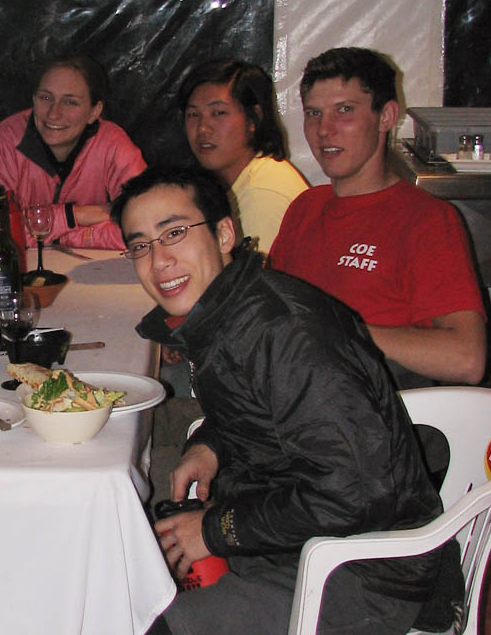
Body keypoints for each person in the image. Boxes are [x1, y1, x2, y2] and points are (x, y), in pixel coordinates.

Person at [111, 166, 442, 635]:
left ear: (225, 233)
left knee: (145, 622)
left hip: (363, 570)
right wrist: (211, 444)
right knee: (121, 557)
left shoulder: (287, 334)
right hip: (291, 534)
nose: (158, 260)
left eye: (175, 233)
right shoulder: (229, 312)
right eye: (141, 245)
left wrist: (214, 531)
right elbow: (267, 410)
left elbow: (358, 492)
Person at [269, 47, 485, 387]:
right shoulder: (305, 208)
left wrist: (339, 332)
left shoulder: (426, 220)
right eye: (314, 113)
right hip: (288, 398)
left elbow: (467, 358)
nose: (324, 130)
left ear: (386, 117)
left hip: (366, 415)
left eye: (344, 111)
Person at [0, 55, 146, 249]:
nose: (54, 113)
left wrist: (62, 237)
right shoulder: (6, 141)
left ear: (94, 112)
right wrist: (75, 215)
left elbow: (145, 227)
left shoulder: (113, 143)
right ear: (33, 99)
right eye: (45, 98)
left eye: (70, 102)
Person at [179, 59, 307, 252]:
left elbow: (251, 281)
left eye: (219, 113)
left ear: (254, 118)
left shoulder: (262, 192)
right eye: (193, 115)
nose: (203, 128)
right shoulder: (243, 180)